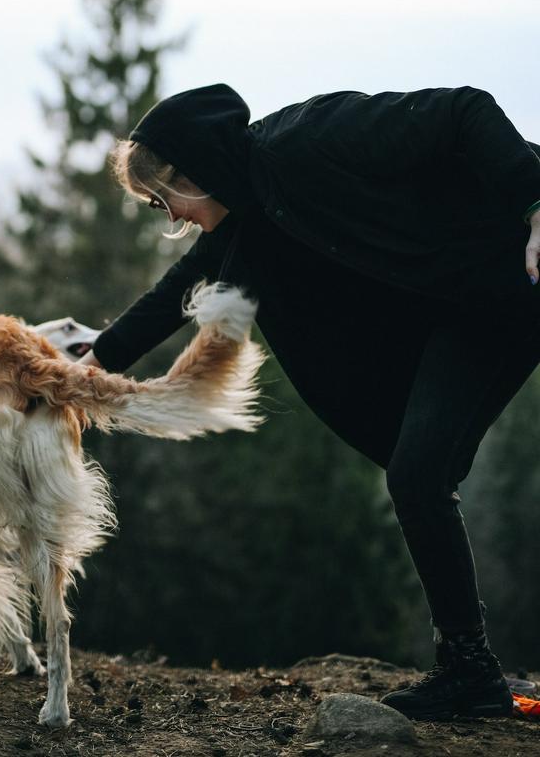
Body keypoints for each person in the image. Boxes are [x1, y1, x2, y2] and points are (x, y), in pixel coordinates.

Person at [78, 83, 540, 721]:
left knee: (420, 477)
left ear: (195, 169)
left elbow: (465, 109)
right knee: (418, 477)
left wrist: (536, 203)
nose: (171, 218)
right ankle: (470, 672)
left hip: (515, 261)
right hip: (467, 310)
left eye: (165, 199)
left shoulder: (307, 138)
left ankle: (470, 672)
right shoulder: (251, 217)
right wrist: (90, 368)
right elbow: (180, 288)